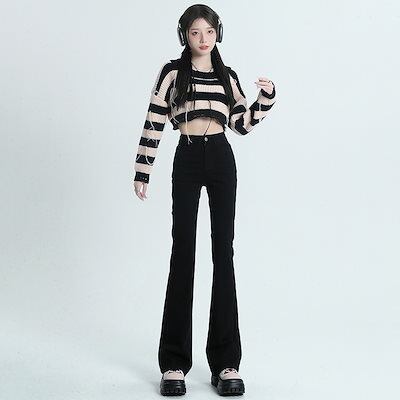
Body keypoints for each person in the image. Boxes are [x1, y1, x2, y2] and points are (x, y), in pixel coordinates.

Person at [132, 4, 277, 396]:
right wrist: (143, 170)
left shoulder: (227, 76)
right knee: (183, 252)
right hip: (187, 155)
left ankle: (226, 363)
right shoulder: (172, 73)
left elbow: (242, 124)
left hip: (221, 157)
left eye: (209, 32)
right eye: (195, 32)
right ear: (185, 35)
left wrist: (266, 98)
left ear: (218, 34)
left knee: (223, 253)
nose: (203, 39)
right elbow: (154, 119)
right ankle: (174, 364)